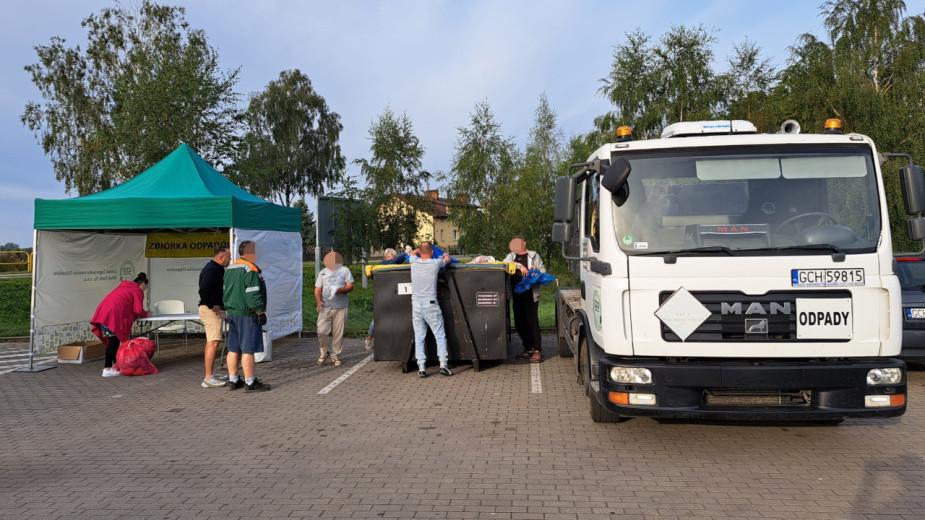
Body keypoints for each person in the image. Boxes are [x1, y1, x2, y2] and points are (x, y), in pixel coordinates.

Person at [223, 240, 270, 391]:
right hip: (247, 314)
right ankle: (250, 382)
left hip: (232, 312)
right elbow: (253, 293)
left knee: (233, 349)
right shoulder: (250, 269)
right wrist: (260, 311)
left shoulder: (230, 268)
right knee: (248, 349)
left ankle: (233, 380)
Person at [90, 273, 150, 377]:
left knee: (112, 341)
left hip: (103, 314)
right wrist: (147, 314)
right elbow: (138, 310)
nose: (145, 289)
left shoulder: (124, 287)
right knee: (113, 341)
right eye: (146, 287)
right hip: (112, 316)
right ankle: (107, 368)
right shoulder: (137, 291)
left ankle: (114, 366)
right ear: (143, 284)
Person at [409, 241, 452, 377]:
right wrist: (445, 254)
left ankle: (421, 368)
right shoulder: (435, 264)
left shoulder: (413, 262)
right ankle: (443, 365)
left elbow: (412, 253)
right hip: (431, 304)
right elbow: (448, 260)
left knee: (419, 337)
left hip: (416, 305)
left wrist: (417, 250)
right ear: (432, 252)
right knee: (439, 335)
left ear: (420, 252)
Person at [503, 236, 546, 363]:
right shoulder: (511, 256)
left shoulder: (533, 256)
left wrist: (535, 270)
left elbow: (543, 270)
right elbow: (505, 263)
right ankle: (527, 348)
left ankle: (537, 350)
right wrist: (520, 266)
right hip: (517, 296)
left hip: (531, 295)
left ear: (524, 243)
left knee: (532, 322)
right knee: (519, 323)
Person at [199, 245, 231, 388]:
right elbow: (203, 289)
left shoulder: (216, 269)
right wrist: (211, 305)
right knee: (213, 342)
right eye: (229, 257)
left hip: (211, 308)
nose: (230, 259)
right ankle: (208, 378)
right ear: (221, 257)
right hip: (209, 310)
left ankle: (211, 372)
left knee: (213, 342)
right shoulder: (212, 270)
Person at [315, 251, 354, 366]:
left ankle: (335, 355)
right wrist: (318, 301)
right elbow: (317, 289)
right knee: (321, 330)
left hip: (341, 307)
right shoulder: (323, 273)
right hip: (325, 307)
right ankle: (324, 351)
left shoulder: (344, 270)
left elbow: (350, 286)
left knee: (338, 333)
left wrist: (341, 290)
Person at [365, 247, 407, 350]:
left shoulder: (396, 265)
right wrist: (406, 253)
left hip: (396, 296)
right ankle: (369, 338)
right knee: (379, 318)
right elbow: (395, 261)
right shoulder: (382, 264)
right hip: (384, 297)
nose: (394, 258)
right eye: (393, 256)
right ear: (388, 256)